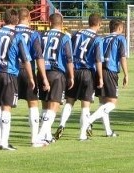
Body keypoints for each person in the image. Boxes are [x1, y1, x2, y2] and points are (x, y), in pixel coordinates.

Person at [0, 8, 35, 150]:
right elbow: (26, 60)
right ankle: (4, 142)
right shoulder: (17, 36)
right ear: (16, 20)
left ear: (4, 19)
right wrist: (30, 77)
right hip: (7, 73)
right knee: (6, 106)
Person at [54, 13, 104, 141]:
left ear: (88, 22)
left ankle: (61, 124)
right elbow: (98, 60)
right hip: (87, 72)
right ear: (98, 24)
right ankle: (82, 134)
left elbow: (68, 51)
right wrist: (100, 77)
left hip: (74, 71)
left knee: (69, 101)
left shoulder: (76, 34)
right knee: (85, 104)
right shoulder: (97, 39)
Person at [80, 18, 129, 139]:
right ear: (119, 28)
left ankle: (108, 131)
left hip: (99, 71)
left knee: (103, 103)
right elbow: (122, 57)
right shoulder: (120, 38)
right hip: (110, 71)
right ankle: (89, 120)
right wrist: (126, 74)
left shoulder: (102, 38)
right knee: (112, 104)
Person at [33, 12, 74, 146]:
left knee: (45, 105)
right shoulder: (64, 37)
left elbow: (37, 54)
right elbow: (68, 58)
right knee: (54, 106)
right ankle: (39, 136)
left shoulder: (40, 35)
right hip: (57, 73)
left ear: (49, 23)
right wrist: (71, 76)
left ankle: (47, 135)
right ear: (62, 24)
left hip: (42, 72)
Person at [15, 8, 50, 145]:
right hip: (27, 71)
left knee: (3, 104)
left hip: (10, 71)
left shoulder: (11, 31)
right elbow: (39, 57)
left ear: (17, 17)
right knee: (33, 103)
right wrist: (44, 77)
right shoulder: (34, 34)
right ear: (29, 17)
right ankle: (34, 138)